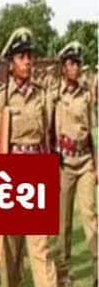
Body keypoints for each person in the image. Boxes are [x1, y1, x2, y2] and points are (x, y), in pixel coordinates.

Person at [0, 27, 58, 287]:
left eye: (30, 56)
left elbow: (47, 139)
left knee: (41, 248)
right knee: (10, 250)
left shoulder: (42, 95)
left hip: (36, 176)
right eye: (21, 57)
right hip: (10, 178)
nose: (27, 61)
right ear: (11, 62)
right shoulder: (0, 97)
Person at [50, 41, 97, 287]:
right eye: (71, 63)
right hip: (64, 164)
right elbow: (48, 129)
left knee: (90, 217)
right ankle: (63, 271)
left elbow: (91, 133)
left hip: (85, 160)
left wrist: (97, 166)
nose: (76, 68)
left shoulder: (86, 94)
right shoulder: (55, 95)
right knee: (63, 221)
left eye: (78, 63)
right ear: (63, 66)